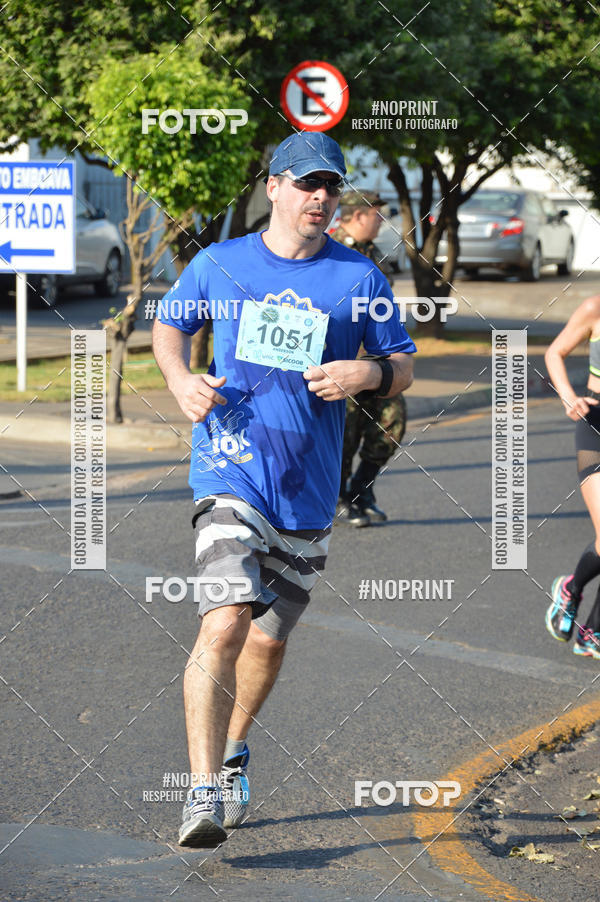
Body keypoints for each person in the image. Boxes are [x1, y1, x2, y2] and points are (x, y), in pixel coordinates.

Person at [152, 132, 416, 848]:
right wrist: (180, 381)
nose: (320, 198)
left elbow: (401, 367)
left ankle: (234, 752)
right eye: (306, 184)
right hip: (231, 468)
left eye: (329, 186)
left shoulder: (359, 279)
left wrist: (365, 375)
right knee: (226, 617)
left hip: (308, 489)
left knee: (268, 641)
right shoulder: (219, 264)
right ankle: (201, 793)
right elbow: (169, 329)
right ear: (273, 187)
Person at [332, 190, 407, 526]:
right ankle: (336, 498)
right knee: (345, 434)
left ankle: (362, 490)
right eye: (376, 214)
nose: (380, 221)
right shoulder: (329, 250)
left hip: (376, 361)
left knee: (392, 421)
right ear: (359, 215)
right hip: (342, 361)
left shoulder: (373, 253)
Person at [544, 294, 600, 658]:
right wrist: (568, 397)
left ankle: (592, 632)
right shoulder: (596, 307)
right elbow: (554, 353)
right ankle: (571, 587)